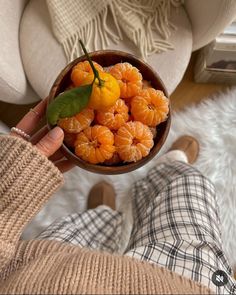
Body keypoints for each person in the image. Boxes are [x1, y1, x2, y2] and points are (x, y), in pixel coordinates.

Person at [0, 98, 235, 294]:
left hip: (47, 274)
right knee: (188, 194)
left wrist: (8, 204)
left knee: (84, 230)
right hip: (189, 282)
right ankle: (172, 165)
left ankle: (101, 213)